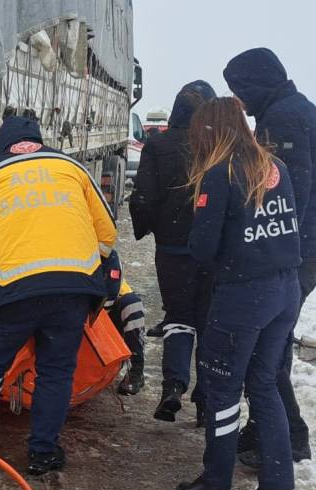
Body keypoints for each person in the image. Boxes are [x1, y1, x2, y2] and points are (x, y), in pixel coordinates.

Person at [0, 115, 118, 476]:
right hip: (71, 290)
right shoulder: (72, 168)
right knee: (55, 372)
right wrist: (84, 267)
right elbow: (107, 232)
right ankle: (43, 453)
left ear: (2, 147)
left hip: (9, 289)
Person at [175, 97, 302, 490]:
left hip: (244, 296)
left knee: (222, 388)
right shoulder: (274, 166)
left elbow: (202, 247)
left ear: (209, 131)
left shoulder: (220, 173)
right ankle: (279, 485)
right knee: (264, 383)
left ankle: (215, 482)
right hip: (285, 289)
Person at [224, 48, 316, 464]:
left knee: (267, 354)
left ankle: (289, 438)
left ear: (256, 83)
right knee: (269, 350)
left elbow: (289, 197)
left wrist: (270, 255)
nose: (239, 102)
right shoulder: (291, 109)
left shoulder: (284, 118)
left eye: (240, 90)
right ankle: (266, 430)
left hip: (292, 257)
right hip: (297, 252)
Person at [129, 80, 217, 425]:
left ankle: (173, 387)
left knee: (178, 316)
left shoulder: (158, 144)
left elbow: (143, 197)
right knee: (208, 322)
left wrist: (151, 227)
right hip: (212, 251)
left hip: (172, 250)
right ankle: (206, 399)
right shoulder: (217, 146)